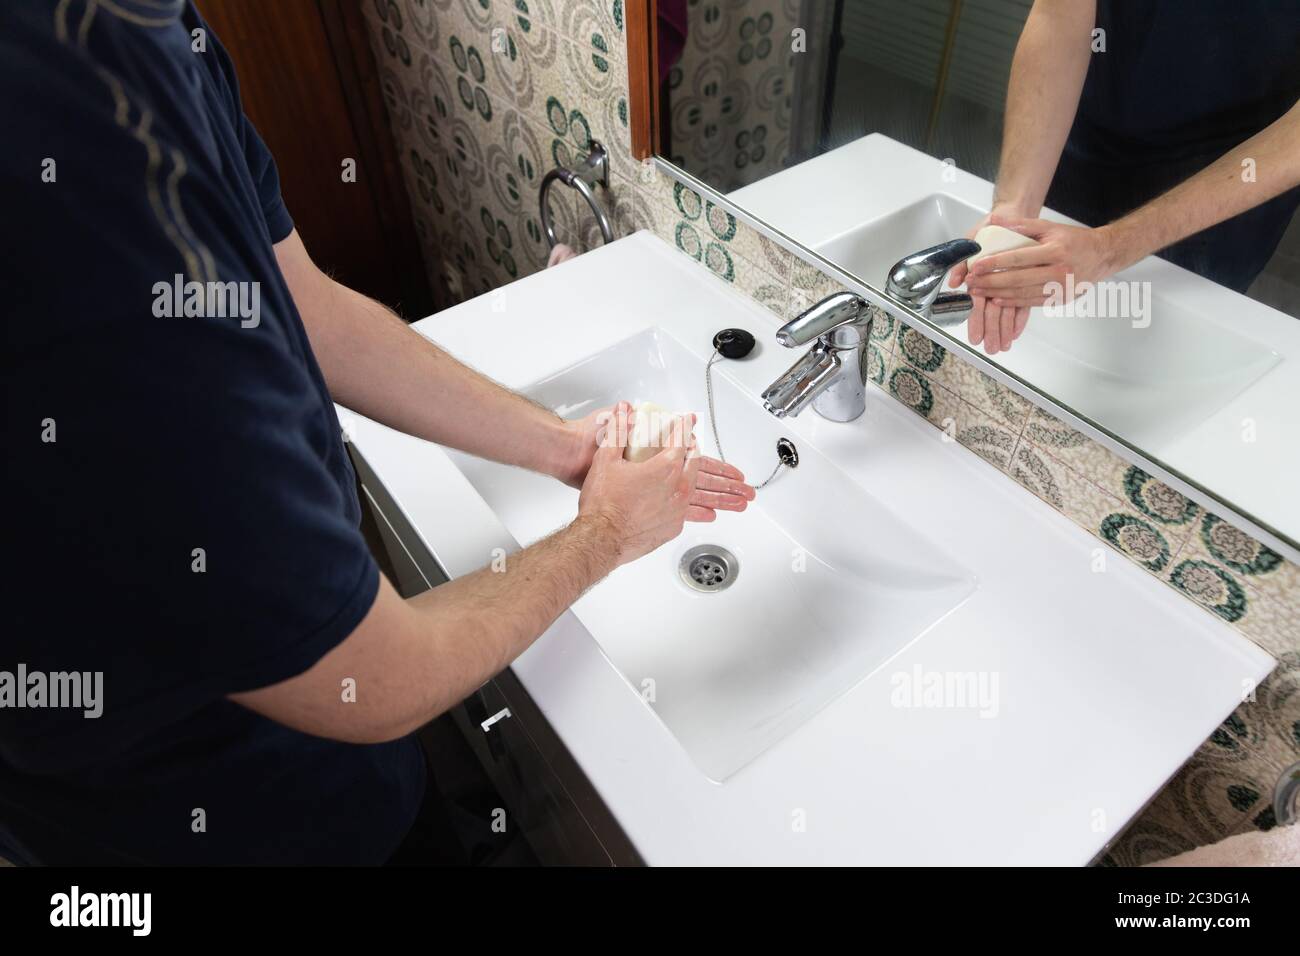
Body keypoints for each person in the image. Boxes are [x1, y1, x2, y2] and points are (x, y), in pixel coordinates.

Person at [0, 1, 754, 865]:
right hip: (197, 821)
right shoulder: (76, 138)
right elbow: (373, 674)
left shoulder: (161, 31)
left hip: (345, 773)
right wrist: (608, 532)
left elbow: (306, 305)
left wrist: (566, 447)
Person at [948, 0, 1300, 354]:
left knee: (1164, 355)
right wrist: (1015, 211)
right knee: (1043, 345)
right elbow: (1059, 16)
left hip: (1232, 187)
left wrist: (1110, 248)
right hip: (1088, 138)